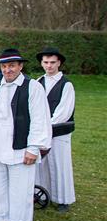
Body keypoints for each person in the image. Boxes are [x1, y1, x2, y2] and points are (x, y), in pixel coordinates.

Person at [0, 48, 51, 221]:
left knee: (20, 193)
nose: (8, 70)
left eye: (12, 66)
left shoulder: (32, 87)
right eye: (4, 66)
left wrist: (33, 148)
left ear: (20, 66)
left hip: (20, 150)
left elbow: (40, 119)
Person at [35, 47, 76, 212]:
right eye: (46, 62)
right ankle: (43, 194)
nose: (49, 66)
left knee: (60, 164)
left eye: (52, 62)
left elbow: (64, 112)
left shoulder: (66, 85)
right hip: (41, 131)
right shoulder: (38, 82)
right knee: (41, 164)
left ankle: (63, 200)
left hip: (59, 132)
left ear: (59, 63)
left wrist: (46, 125)